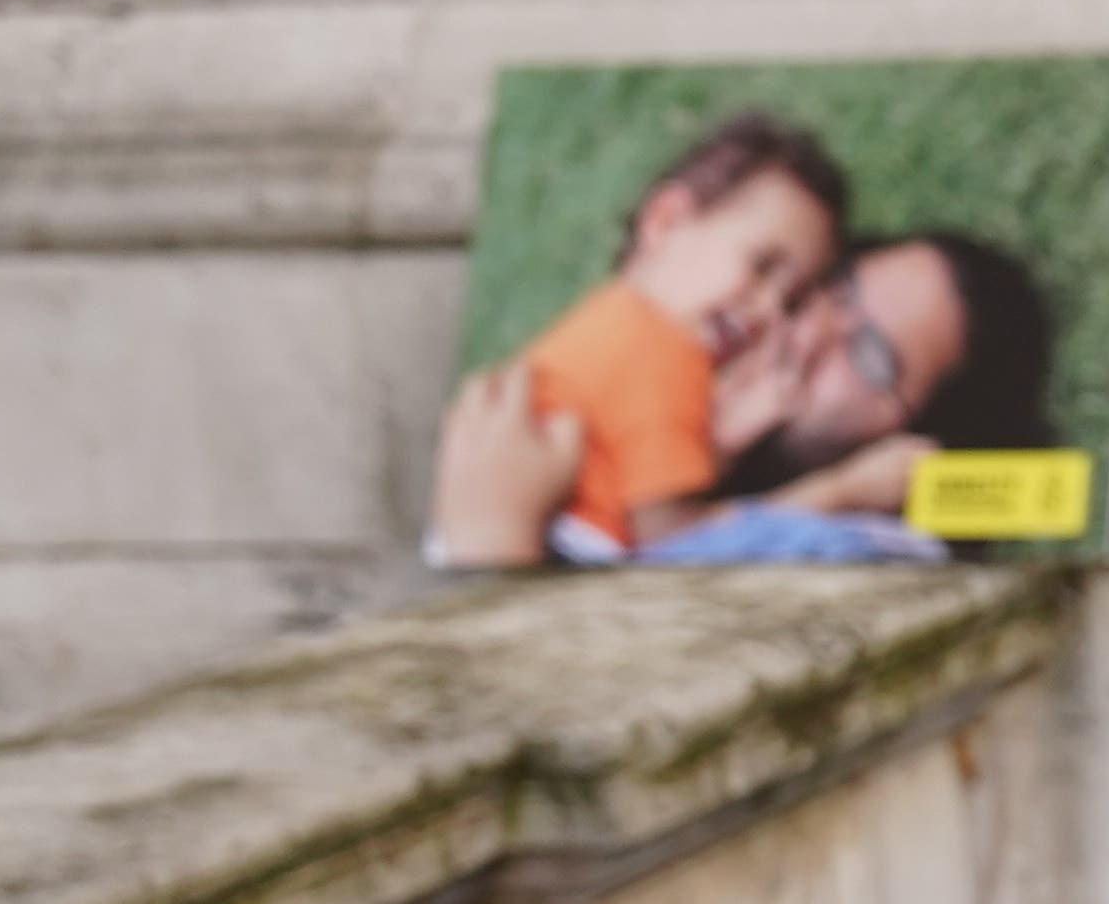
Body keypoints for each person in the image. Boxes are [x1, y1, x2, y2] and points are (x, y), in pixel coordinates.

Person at [428, 226, 1061, 568]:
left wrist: (490, 537)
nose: (810, 333)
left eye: (872, 356)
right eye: (838, 292)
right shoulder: (654, 393)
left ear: (913, 447)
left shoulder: (856, 558)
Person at [503, 110, 849, 550]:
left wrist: (721, 445)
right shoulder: (660, 349)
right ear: (666, 222)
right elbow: (673, 536)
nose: (767, 312)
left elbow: (633, 479)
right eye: (761, 266)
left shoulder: (610, 321)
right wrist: (841, 491)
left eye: (790, 301)